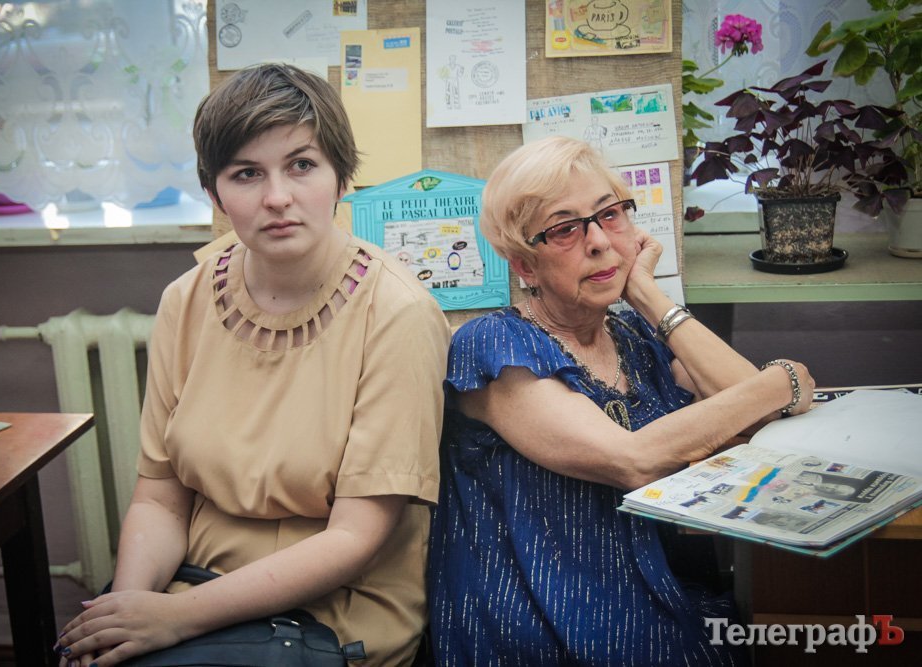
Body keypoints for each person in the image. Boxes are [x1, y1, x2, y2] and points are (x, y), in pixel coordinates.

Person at [56, 63, 450, 667]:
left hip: (332, 614)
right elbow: (160, 500)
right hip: (192, 585)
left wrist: (172, 620)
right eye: (247, 173)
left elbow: (355, 537)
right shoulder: (185, 300)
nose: (277, 197)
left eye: (302, 165)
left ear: (341, 177)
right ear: (216, 195)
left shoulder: (398, 312)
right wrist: (130, 614)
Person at [427, 136, 815, 665]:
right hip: (542, 621)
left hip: (655, 598)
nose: (598, 241)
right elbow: (633, 459)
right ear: (525, 265)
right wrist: (783, 378)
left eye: (609, 215)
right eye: (565, 229)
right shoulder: (494, 344)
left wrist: (649, 296)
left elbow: (760, 415)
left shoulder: (634, 334)